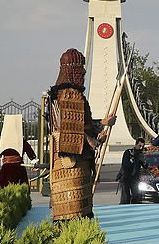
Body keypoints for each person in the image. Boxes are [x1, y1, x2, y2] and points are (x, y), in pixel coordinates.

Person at [48, 48, 116, 221]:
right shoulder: (70, 94)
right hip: (71, 160)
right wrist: (91, 139)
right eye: (80, 68)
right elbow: (69, 128)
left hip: (76, 159)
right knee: (72, 209)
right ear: (72, 70)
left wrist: (102, 125)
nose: (84, 72)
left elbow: (81, 124)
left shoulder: (62, 94)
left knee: (78, 208)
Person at [0, 114, 37, 188]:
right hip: (19, 169)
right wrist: (34, 163)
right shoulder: (22, 142)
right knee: (21, 189)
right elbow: (31, 154)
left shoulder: (4, 142)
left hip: (6, 169)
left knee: (3, 189)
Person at [119, 138, 146, 204]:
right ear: (136, 144)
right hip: (126, 177)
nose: (141, 148)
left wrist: (143, 161)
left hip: (135, 178)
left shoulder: (140, 154)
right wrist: (132, 160)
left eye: (142, 146)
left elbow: (145, 166)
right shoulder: (128, 152)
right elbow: (125, 165)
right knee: (126, 197)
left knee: (136, 196)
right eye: (139, 146)